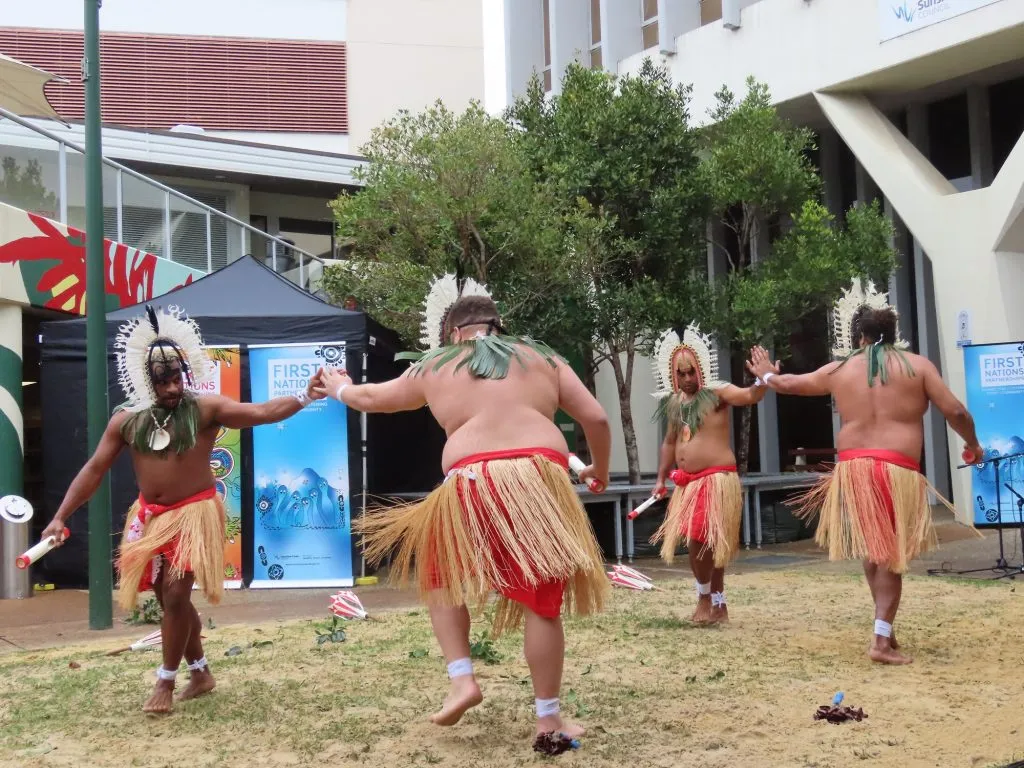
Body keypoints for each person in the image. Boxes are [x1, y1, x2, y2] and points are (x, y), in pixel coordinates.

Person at [316, 274, 611, 754]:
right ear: (500, 326)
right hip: (540, 477)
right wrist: (599, 468)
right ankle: (548, 718)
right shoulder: (542, 357)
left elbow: (373, 400)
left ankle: (462, 680)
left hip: (470, 483)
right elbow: (595, 418)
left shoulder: (436, 365)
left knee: (441, 577)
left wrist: (339, 388)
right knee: (541, 602)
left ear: (450, 333)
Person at [40, 306, 324, 713]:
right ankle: (201, 672)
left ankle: (165, 683)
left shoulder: (205, 408)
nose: (172, 388)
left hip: (195, 513)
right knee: (170, 599)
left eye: (176, 379)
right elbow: (94, 469)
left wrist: (303, 396)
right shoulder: (126, 421)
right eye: (163, 382)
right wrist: (60, 515)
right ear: (145, 381)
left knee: (175, 596)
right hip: (150, 516)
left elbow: (259, 413)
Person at [747, 280, 983, 665]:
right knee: (888, 554)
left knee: (875, 553)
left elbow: (792, 384)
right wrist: (973, 445)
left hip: (854, 469)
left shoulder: (840, 369)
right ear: (893, 335)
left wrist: (767, 375)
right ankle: (879, 641)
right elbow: (956, 412)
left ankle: (884, 630)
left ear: (858, 337)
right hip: (895, 470)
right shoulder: (918, 367)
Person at [648, 325, 767, 624]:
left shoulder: (717, 393)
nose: (687, 379)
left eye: (691, 372)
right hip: (687, 483)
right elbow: (670, 442)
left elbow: (750, 396)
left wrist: (763, 378)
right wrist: (661, 478)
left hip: (715, 478)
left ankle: (704, 599)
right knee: (703, 541)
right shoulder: (675, 403)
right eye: (681, 374)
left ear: (701, 369)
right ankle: (718, 604)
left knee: (703, 540)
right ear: (673, 375)